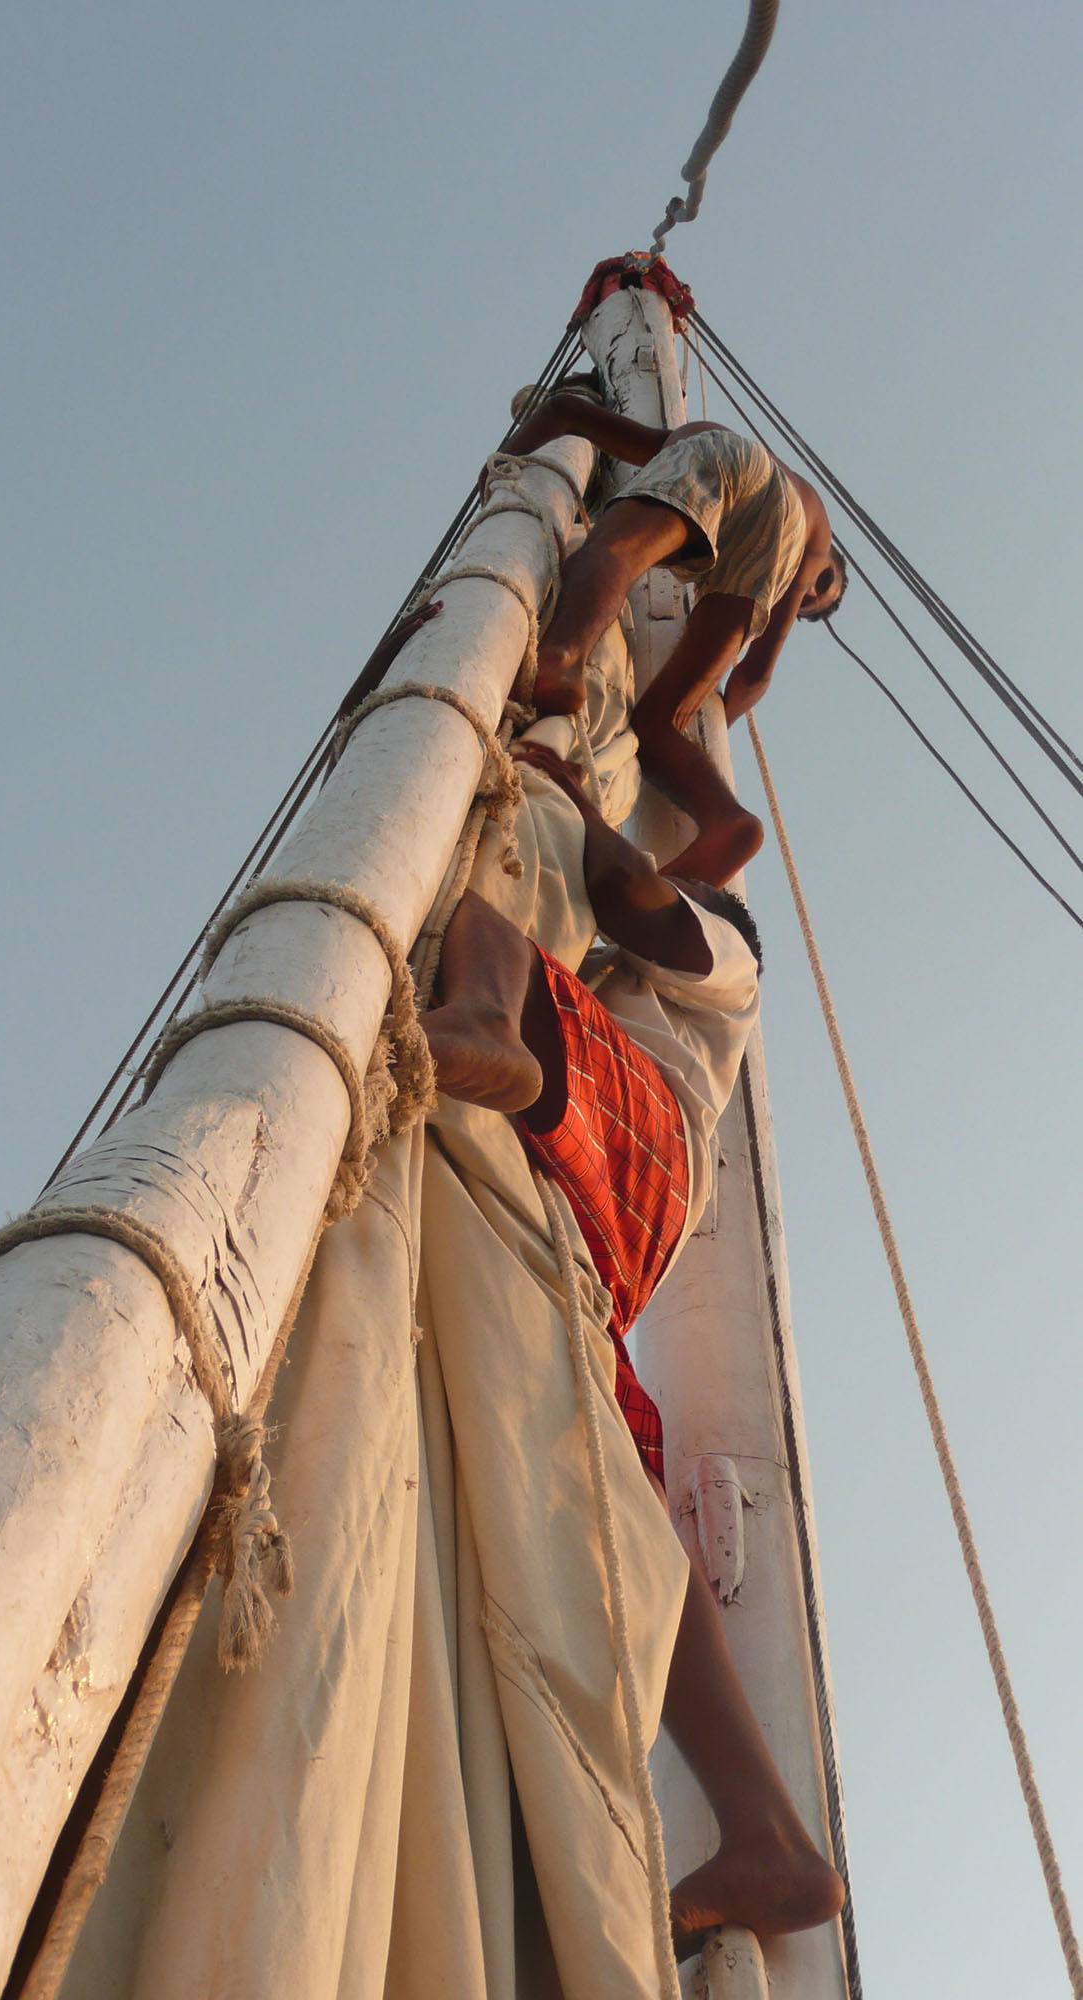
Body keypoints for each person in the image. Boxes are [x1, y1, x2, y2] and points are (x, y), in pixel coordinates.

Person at [422, 743, 844, 1956]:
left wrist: (562, 791)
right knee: (628, 1491)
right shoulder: (652, 1000)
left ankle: (485, 1015)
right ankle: (768, 1827)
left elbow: (642, 896)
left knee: (481, 923)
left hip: (640, 1139)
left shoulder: (734, 956)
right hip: (616, 1206)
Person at [503, 392, 846, 885]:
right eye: (823, 583)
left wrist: (509, 463)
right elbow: (756, 675)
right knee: (618, 565)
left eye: (811, 603)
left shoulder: (702, 444)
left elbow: (565, 412)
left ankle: (726, 822)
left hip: (736, 482)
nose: (809, 593)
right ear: (831, 558)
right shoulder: (813, 526)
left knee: (612, 554)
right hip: (750, 489)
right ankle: (563, 663)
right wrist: (718, 714)